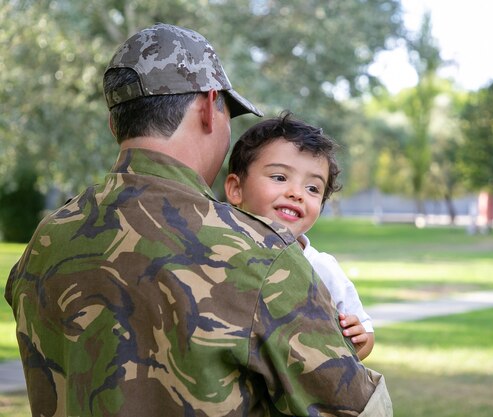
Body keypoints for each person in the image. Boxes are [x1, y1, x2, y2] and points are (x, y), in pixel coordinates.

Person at [4, 23, 392, 416]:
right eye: (228, 114)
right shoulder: (261, 253)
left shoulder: (47, 241)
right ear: (209, 107)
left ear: (113, 124)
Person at [224, 111, 375, 360]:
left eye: (313, 188)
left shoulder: (321, 268)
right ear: (236, 188)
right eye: (280, 177)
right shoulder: (221, 252)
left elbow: (365, 334)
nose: (297, 193)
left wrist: (358, 339)